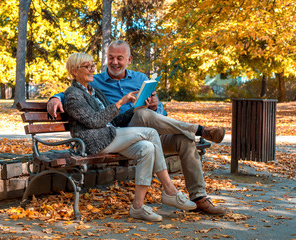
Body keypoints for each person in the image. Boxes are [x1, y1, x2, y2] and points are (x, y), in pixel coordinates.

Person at [48, 40, 226, 215]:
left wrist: (156, 106)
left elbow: (160, 114)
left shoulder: (141, 78)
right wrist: (55, 98)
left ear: (129, 59)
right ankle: (199, 131)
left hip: (143, 132)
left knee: (184, 140)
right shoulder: (96, 82)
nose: (115, 62)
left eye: (120, 58)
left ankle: (199, 197)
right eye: (111, 58)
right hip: (121, 134)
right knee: (141, 115)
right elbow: (72, 93)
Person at [64, 52, 197, 222]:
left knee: (147, 148)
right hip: (94, 142)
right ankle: (170, 190)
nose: (92, 70)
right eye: (87, 66)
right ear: (75, 71)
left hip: (109, 135)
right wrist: (120, 102)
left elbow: (114, 120)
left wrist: (134, 109)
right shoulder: (73, 95)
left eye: (92, 65)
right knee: (150, 133)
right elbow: (93, 121)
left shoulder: (94, 92)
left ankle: (138, 207)